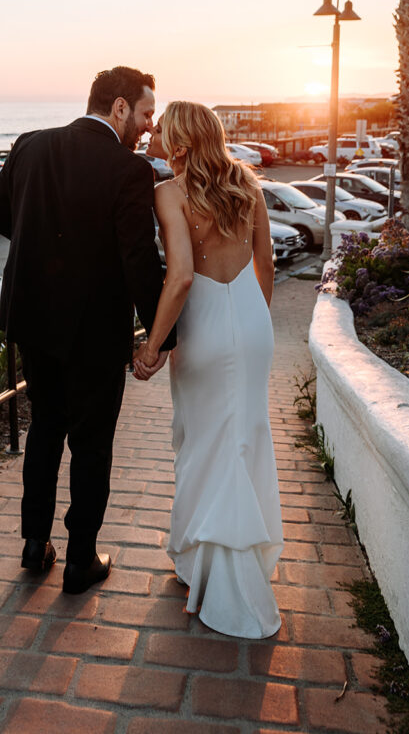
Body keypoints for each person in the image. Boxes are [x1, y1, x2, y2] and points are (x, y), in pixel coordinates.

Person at [0, 66, 175, 594]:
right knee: (92, 446)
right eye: (144, 114)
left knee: (44, 430)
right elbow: (139, 260)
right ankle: (80, 560)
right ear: (118, 108)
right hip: (95, 331)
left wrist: (46, 250)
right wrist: (163, 339)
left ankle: (33, 544)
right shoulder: (129, 171)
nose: (146, 127)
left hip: (33, 320)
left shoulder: (30, 144)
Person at [133, 102, 283, 638]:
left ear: (179, 142)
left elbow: (179, 280)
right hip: (251, 319)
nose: (152, 135)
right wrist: (251, 321)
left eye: (162, 131)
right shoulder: (246, 182)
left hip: (204, 328)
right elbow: (264, 264)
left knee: (203, 444)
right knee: (241, 439)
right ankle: (207, 563)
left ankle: (217, 578)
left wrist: (152, 348)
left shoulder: (168, 193)